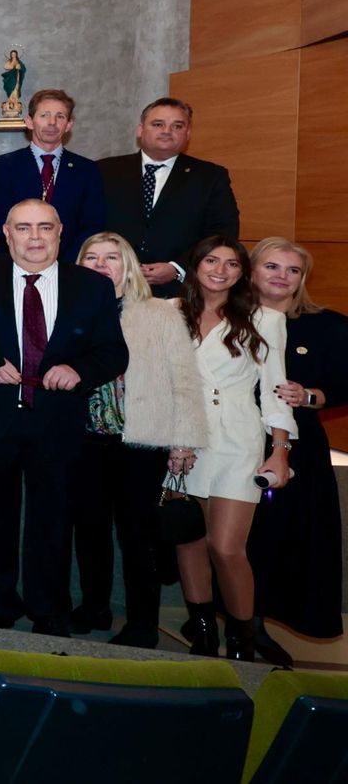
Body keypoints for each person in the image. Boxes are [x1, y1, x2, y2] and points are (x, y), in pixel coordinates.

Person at [0, 199, 127, 636]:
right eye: (23, 228)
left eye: (44, 228)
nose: (34, 238)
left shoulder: (92, 286)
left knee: (53, 515)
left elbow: (113, 351)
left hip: (58, 421)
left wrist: (79, 371)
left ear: (60, 232)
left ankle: (48, 607)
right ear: (7, 232)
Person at [69, 232, 206, 648]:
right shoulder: (67, 310)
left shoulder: (161, 313)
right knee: (89, 531)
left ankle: (143, 624)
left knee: (137, 537)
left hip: (141, 441)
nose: (100, 264)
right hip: (84, 440)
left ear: (128, 266)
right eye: (90, 257)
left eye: (112, 257)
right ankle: (95, 606)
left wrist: (184, 441)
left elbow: (185, 379)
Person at [174, 236, 295, 662]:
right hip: (181, 441)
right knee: (189, 540)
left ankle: (242, 643)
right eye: (211, 260)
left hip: (237, 439)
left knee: (225, 547)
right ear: (196, 265)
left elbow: (276, 391)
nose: (220, 270)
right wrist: (174, 439)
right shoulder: (171, 313)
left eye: (231, 263)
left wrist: (279, 450)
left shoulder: (265, 319)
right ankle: (204, 636)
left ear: (242, 272)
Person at [248, 237, 345, 654]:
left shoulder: (329, 325)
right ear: (251, 271)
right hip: (234, 439)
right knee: (237, 538)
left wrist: (309, 396)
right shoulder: (226, 318)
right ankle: (240, 620)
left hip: (299, 447)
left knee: (286, 535)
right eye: (272, 267)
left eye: (292, 270)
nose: (282, 277)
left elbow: (343, 384)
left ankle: (266, 621)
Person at [98, 98, 240, 298]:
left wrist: (177, 268)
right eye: (158, 124)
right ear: (140, 130)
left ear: (188, 134)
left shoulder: (210, 177)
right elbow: (88, 224)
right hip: (111, 287)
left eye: (177, 126)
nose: (166, 131)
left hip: (179, 294)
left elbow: (223, 232)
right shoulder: (104, 171)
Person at [0, 88, 104, 263]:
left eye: (60, 117)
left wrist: (64, 259)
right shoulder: (6, 165)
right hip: (17, 261)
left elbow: (92, 223)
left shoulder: (87, 169)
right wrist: (28, 256)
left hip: (70, 264)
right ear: (29, 121)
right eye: (44, 115)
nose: (52, 123)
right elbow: (1, 218)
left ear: (68, 125)